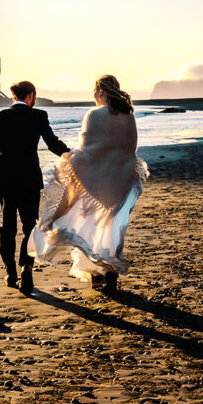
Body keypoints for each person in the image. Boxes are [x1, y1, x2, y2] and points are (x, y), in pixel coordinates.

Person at [30, 75, 148, 292]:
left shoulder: (94, 115)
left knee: (89, 228)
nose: (94, 97)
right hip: (121, 181)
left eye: (95, 93)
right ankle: (110, 272)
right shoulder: (128, 114)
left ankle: (95, 274)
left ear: (101, 92)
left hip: (95, 181)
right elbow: (130, 149)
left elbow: (87, 152)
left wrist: (69, 158)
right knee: (113, 230)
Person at [0, 80, 70, 295]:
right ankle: (27, 267)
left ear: (14, 96)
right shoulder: (39, 116)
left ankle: (10, 271)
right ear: (31, 96)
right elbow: (52, 143)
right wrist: (72, 157)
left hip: (5, 178)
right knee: (29, 225)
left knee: (7, 226)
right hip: (30, 177)